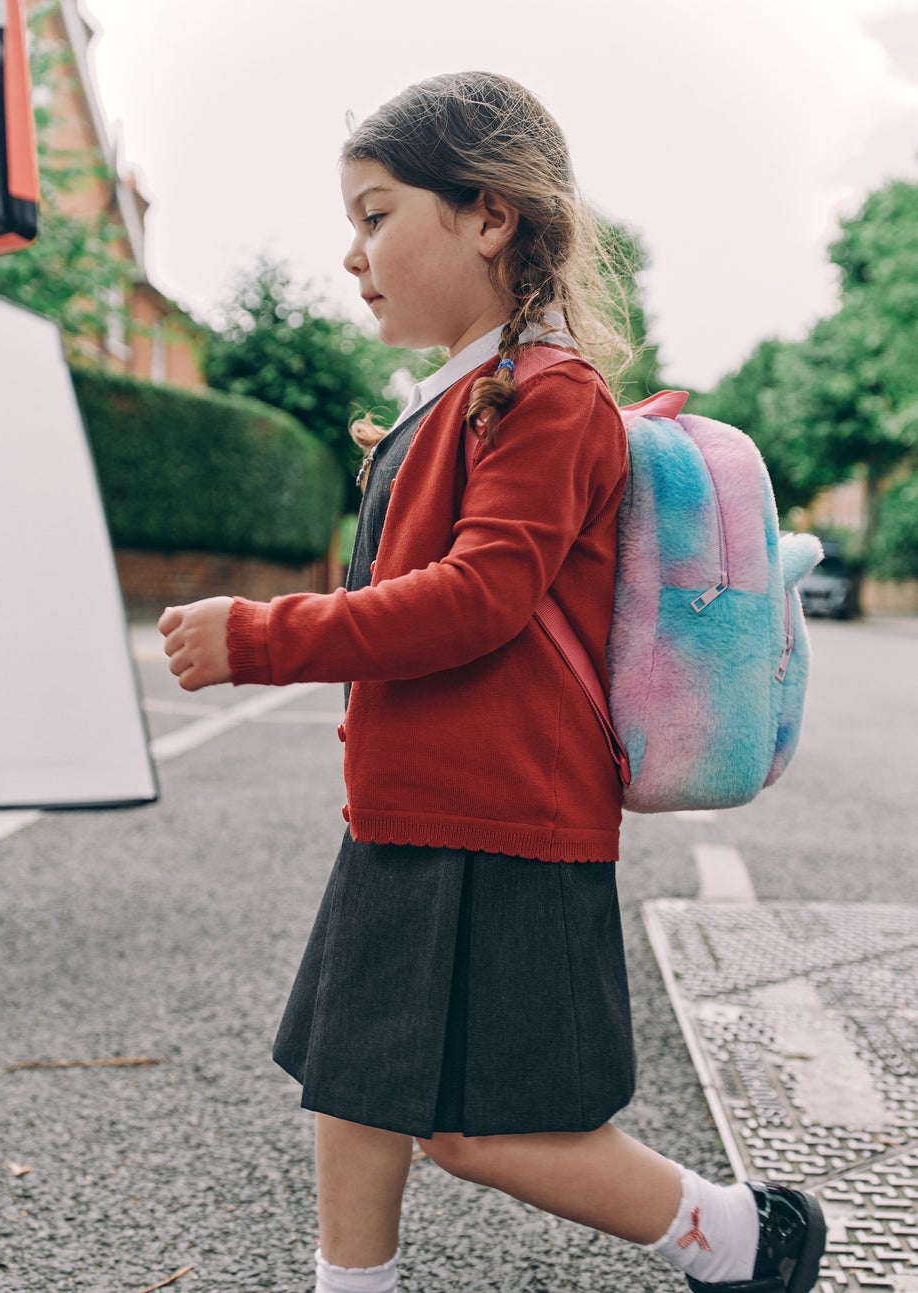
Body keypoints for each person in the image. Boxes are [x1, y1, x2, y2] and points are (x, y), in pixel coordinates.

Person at [159, 71, 827, 1293]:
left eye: (375, 215)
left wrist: (257, 637)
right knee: (355, 1082)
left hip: (508, 821)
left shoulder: (550, 397)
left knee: (487, 1131)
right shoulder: (451, 399)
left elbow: (477, 599)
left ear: (488, 214)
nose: (352, 254)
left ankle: (738, 1238)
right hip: (413, 812)